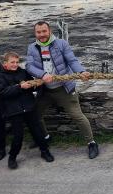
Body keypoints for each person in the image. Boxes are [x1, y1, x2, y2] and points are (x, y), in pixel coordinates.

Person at [26, 21, 98, 159]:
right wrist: (43, 75)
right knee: (35, 115)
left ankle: (91, 143)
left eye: (44, 31)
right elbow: (29, 66)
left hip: (64, 88)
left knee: (77, 116)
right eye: (38, 32)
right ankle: (46, 137)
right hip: (44, 90)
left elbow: (72, 60)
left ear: (50, 31)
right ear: (35, 33)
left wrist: (81, 71)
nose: (41, 34)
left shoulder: (61, 44)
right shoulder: (32, 48)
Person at [0, 52, 54, 169]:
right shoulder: (0, 77)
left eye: (17, 62)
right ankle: (12, 157)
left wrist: (36, 84)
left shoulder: (23, 72)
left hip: (29, 107)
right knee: (18, 136)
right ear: (5, 63)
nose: (15, 64)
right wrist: (19, 87)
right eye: (12, 62)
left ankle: (45, 151)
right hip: (14, 110)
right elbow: (0, 93)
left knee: (37, 132)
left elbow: (32, 86)